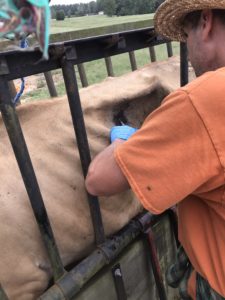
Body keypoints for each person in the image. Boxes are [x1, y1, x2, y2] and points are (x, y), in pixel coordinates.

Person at [85, 0, 225, 299]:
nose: (188, 51)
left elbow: (99, 179)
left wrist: (125, 141)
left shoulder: (206, 98)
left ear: (205, 21)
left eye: (186, 36)